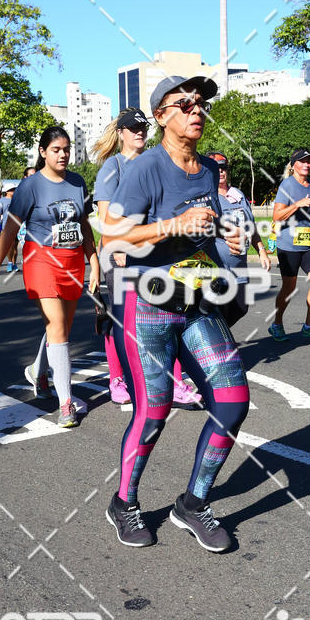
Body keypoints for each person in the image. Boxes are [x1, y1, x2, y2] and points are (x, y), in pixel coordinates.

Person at [102, 75, 250, 552]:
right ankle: (124, 502)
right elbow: (114, 238)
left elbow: (203, 229)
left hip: (198, 301)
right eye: (183, 104)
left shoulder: (207, 169)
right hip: (147, 304)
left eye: (201, 103)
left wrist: (229, 236)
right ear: (161, 116)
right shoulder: (145, 168)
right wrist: (172, 226)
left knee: (232, 401)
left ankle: (193, 502)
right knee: (154, 410)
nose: (196, 110)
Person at [0, 126, 100, 428]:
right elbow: (9, 230)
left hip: (73, 261)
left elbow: (84, 225)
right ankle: (66, 403)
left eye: (67, 149)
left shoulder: (78, 182)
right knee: (57, 324)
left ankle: (38, 370)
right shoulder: (30, 186)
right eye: (57, 149)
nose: (63, 154)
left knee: (62, 328)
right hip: (41, 259)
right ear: (43, 152)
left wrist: (94, 262)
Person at [93, 107, 199, 408]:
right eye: (133, 128)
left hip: (159, 253)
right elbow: (106, 222)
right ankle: (117, 379)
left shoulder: (156, 163)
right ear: (122, 133)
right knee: (120, 319)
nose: (140, 132)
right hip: (121, 255)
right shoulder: (112, 168)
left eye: (143, 127)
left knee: (170, 315)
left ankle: (175, 382)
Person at [268, 149, 310, 344]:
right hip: (289, 244)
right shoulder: (286, 185)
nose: (307, 165)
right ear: (293, 164)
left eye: (309, 162)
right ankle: (277, 324)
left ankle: (309, 326)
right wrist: (297, 204)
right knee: (289, 288)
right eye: (302, 161)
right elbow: (277, 216)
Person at [206, 151, 271, 326]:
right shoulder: (207, 197)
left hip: (239, 267)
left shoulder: (238, 195)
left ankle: (216, 342)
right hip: (217, 268)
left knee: (241, 307)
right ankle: (216, 346)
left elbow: (252, 227)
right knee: (218, 313)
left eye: (223, 168)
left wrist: (262, 251)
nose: (220, 172)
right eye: (216, 168)